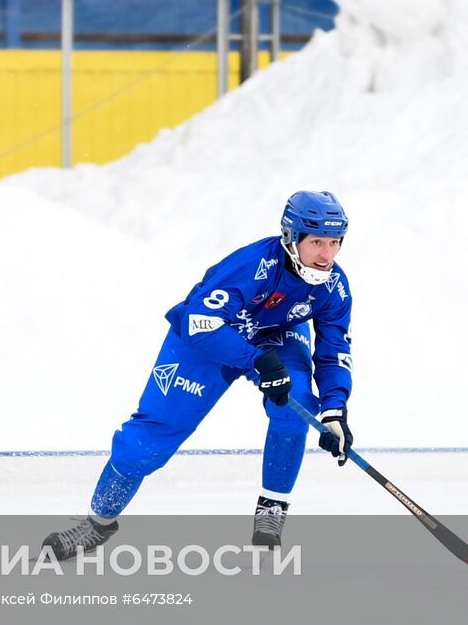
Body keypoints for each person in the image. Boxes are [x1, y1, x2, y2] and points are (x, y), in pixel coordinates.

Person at [44, 190, 356, 559]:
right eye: (317, 242)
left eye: (334, 243)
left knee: (297, 400)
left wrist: (335, 409)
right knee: (145, 446)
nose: (327, 255)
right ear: (291, 237)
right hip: (210, 338)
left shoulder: (334, 286)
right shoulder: (252, 265)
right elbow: (199, 322)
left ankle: (272, 508)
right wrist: (254, 359)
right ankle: (97, 524)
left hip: (274, 336)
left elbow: (334, 350)